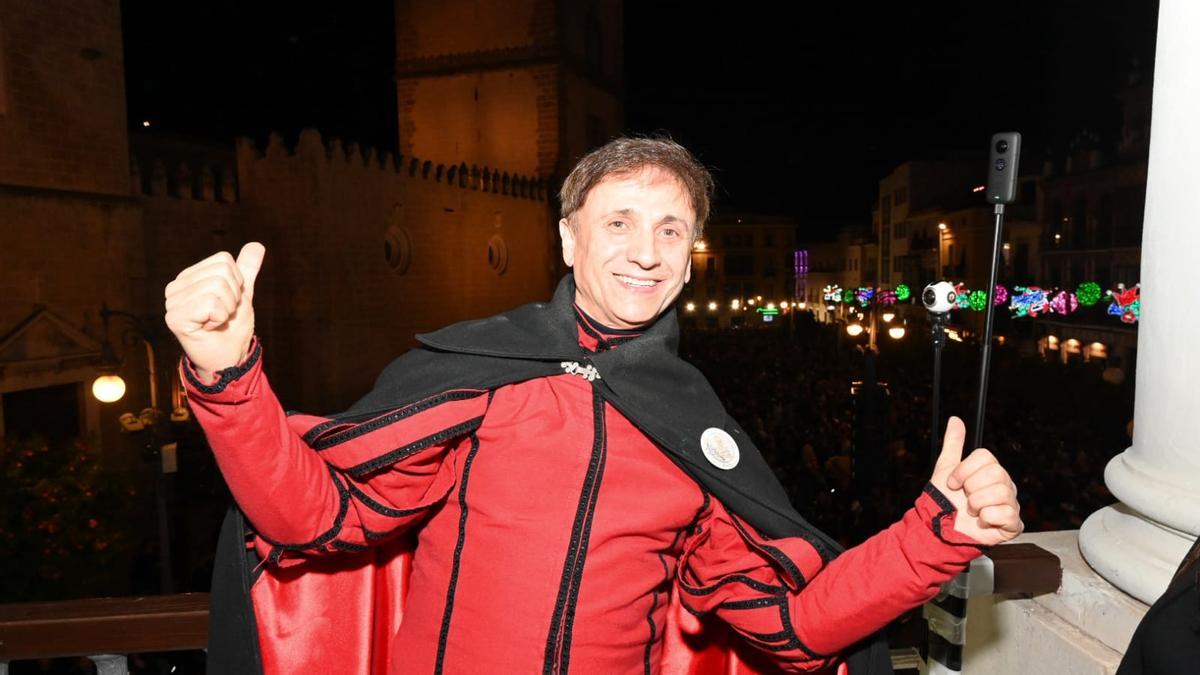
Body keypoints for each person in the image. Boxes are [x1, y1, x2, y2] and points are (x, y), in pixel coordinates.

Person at [165, 137, 1023, 674]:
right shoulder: (480, 368)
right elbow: (313, 518)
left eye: (669, 231)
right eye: (617, 223)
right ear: (570, 239)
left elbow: (794, 627)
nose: (643, 253)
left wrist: (934, 534)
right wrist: (227, 370)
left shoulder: (696, 428)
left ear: (692, 259)